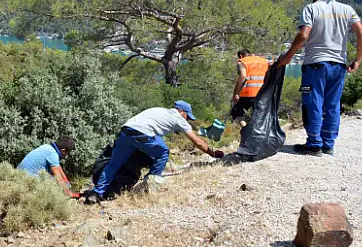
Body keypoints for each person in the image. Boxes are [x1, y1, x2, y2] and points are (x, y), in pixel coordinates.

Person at [278, 0, 362, 156]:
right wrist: (358, 60)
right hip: (339, 65)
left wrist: (288, 57)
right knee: (333, 104)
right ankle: (328, 144)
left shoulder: (311, 9)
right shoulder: (347, 10)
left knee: (313, 102)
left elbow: (303, 35)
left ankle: (314, 144)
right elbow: (361, 32)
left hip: (315, 65)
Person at [85, 101, 224, 204]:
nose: (187, 119)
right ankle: (150, 184)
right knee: (163, 152)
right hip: (141, 134)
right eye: (188, 116)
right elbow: (198, 142)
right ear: (182, 111)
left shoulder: (158, 110)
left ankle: (96, 193)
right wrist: (213, 154)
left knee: (113, 165)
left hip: (125, 132)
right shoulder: (178, 118)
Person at [231, 49, 270, 127]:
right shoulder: (264, 61)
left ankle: (245, 131)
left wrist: (236, 94)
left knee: (236, 112)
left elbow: (243, 76)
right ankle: (259, 133)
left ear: (241, 55)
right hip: (262, 93)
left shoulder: (242, 61)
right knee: (259, 115)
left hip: (248, 93)